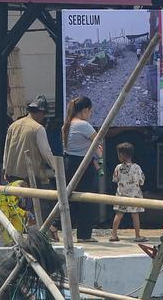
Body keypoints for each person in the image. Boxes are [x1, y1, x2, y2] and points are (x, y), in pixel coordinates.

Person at [61, 96, 101, 241]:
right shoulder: (83, 125)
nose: (90, 115)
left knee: (70, 199)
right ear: (85, 110)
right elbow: (99, 145)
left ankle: (60, 228)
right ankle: (84, 234)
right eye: (90, 112)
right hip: (83, 165)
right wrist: (98, 160)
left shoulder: (67, 124)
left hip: (69, 163)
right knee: (88, 200)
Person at [3, 96, 58, 186]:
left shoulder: (14, 125)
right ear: (40, 113)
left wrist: (5, 168)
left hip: (12, 174)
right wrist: (56, 168)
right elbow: (46, 152)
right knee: (32, 199)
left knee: (14, 199)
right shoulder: (38, 128)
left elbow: (7, 148)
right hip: (30, 176)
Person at [110, 142, 146, 243]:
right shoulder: (137, 167)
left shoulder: (118, 167)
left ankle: (114, 235)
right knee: (135, 215)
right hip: (134, 196)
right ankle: (137, 235)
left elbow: (115, 179)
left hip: (121, 195)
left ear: (121, 155)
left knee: (119, 214)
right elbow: (141, 181)